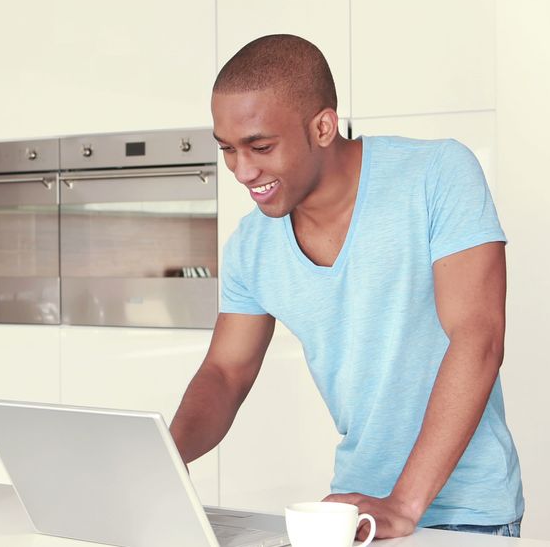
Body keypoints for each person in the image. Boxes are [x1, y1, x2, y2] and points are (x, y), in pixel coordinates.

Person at [169, 34, 524, 540]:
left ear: (322, 126)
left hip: (466, 510)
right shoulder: (251, 244)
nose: (243, 171)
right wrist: (167, 457)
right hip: (354, 508)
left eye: (261, 146)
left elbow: (478, 337)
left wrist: (404, 503)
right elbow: (226, 372)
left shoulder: (437, 174)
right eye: (228, 149)